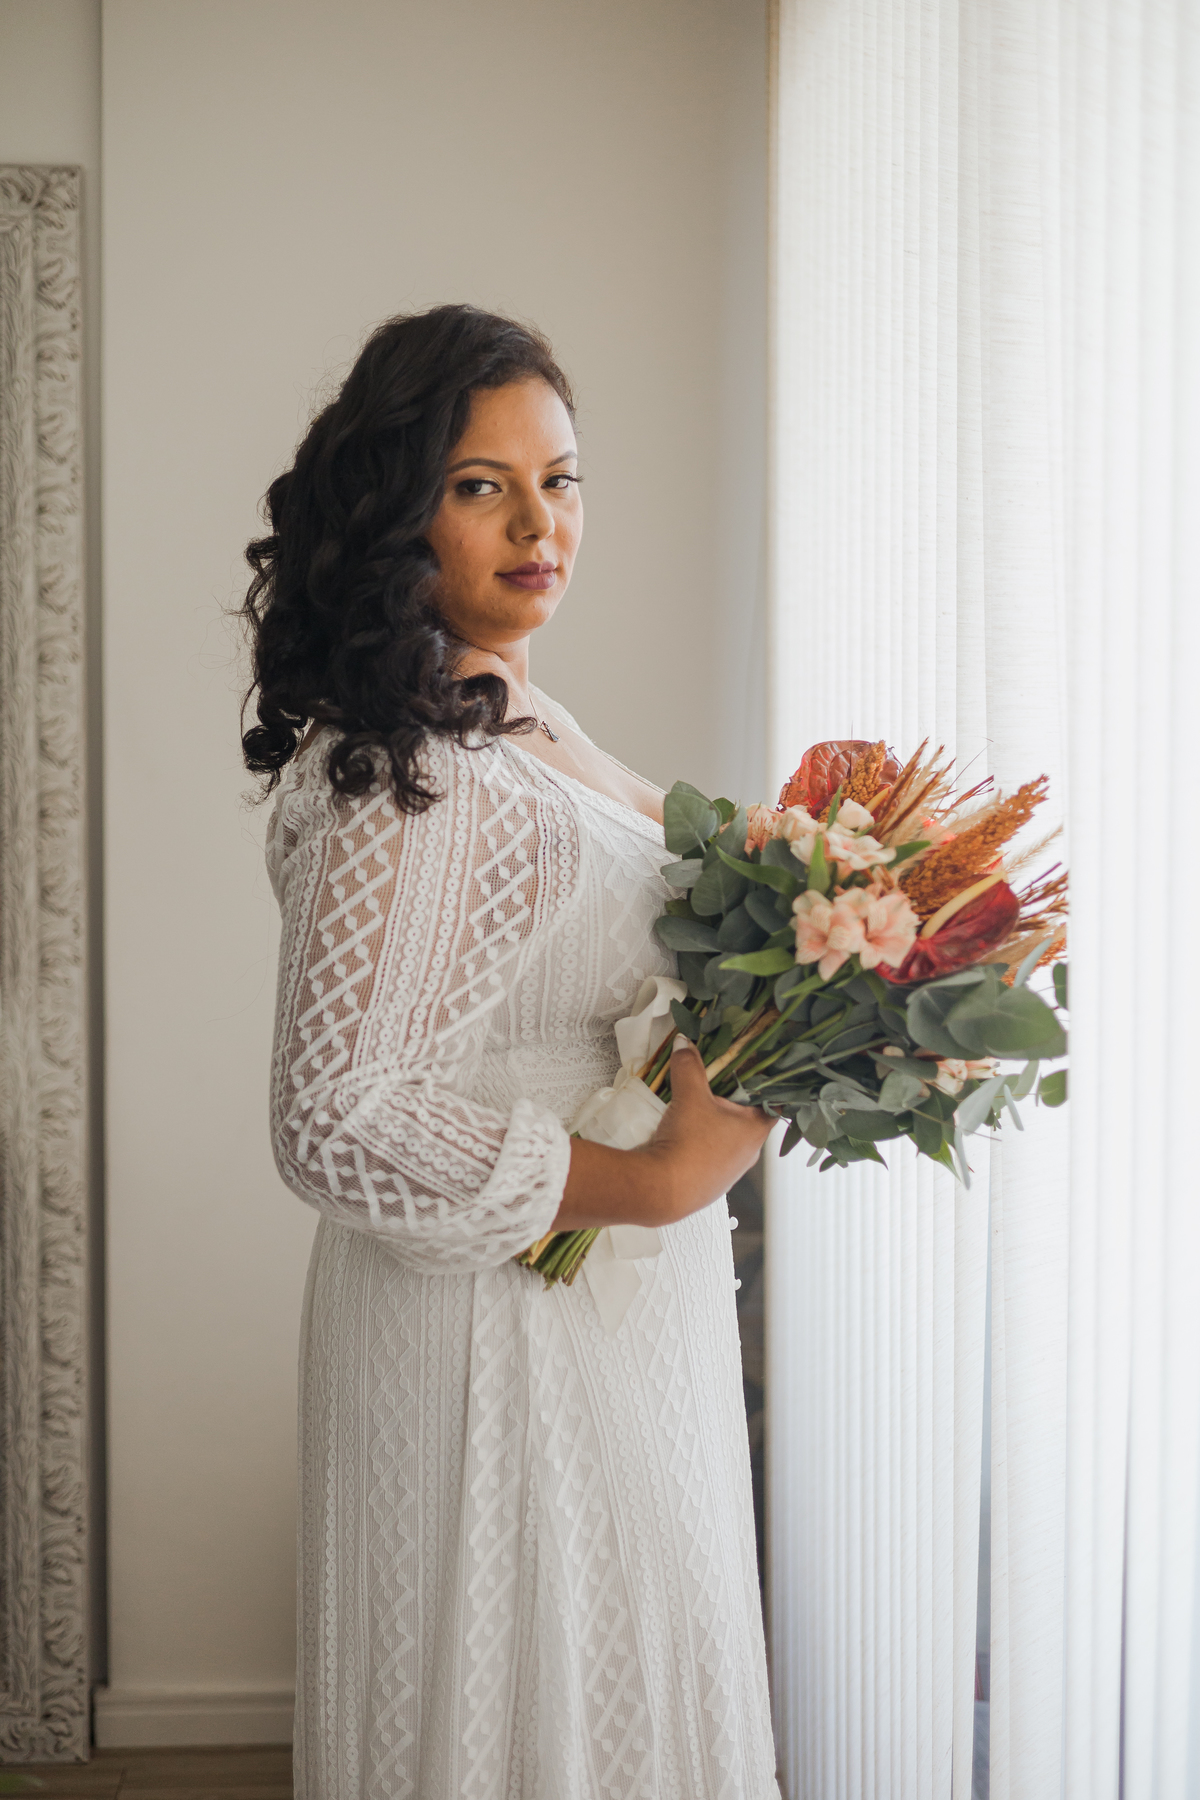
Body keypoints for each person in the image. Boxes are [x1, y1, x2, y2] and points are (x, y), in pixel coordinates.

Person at [242, 304, 781, 1798]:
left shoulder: (509, 712)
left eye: (563, 477)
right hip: (503, 1335)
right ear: (395, 508)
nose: (542, 523)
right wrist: (663, 1181)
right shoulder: (402, 769)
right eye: (483, 484)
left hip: (600, 1308)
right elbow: (333, 1114)